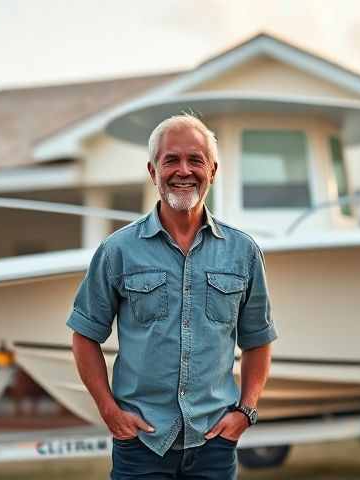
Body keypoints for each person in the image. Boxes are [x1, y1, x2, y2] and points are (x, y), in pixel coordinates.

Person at [67, 114, 277, 479]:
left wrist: (245, 412)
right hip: (141, 446)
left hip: (214, 445)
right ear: (153, 171)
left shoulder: (243, 252)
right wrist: (109, 410)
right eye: (171, 160)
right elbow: (84, 336)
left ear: (212, 170)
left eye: (195, 160)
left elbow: (258, 340)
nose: (184, 170)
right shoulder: (117, 251)